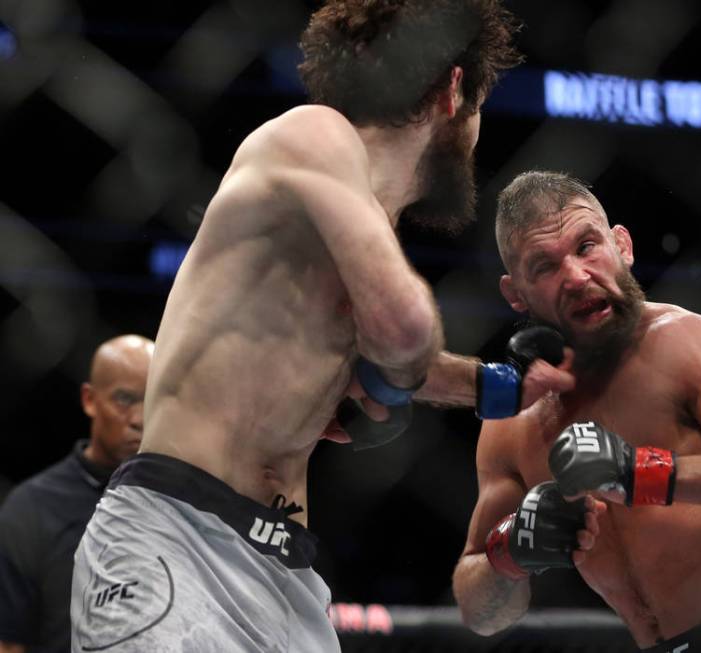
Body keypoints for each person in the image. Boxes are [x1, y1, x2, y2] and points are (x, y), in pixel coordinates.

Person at [69, 3, 575, 651]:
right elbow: (405, 329)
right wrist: (390, 377)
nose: (477, 135)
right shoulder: (315, 134)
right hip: (178, 540)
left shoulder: (352, 226)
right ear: (453, 91)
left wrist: (505, 385)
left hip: (285, 575)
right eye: (480, 107)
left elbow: (402, 355)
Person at [453, 171, 701, 652]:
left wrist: (642, 474)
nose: (577, 277)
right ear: (517, 294)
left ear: (622, 246)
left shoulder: (688, 345)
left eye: (586, 246)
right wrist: (510, 552)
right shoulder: (512, 423)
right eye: (545, 267)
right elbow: (479, 609)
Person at [0, 335, 153, 653]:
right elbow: (9, 643)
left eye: (151, 401)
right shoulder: (33, 508)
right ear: (89, 400)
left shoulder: (181, 501)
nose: (139, 419)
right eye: (124, 399)